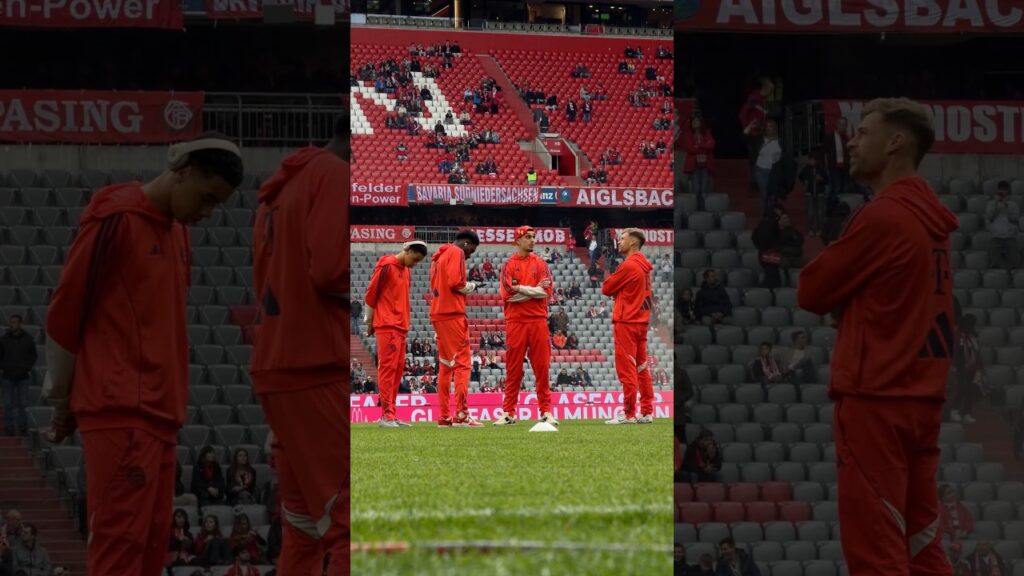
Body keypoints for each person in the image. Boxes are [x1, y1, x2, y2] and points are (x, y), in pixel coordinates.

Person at [42, 133, 243, 575]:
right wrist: (60, 402)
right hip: (120, 408)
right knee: (120, 547)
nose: (206, 213)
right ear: (181, 170)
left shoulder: (177, 234)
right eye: (206, 198)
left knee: (151, 548)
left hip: (158, 413)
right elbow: (65, 312)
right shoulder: (115, 218)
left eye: (216, 207)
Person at [796, 98, 957, 576]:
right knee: (923, 546)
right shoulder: (934, 221)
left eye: (864, 131)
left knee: (877, 552)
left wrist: (845, 306)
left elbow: (811, 290)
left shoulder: (884, 215)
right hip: (922, 400)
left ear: (895, 142)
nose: (852, 139)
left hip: (876, 400)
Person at [250, 116, 348, 575]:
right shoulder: (332, 175)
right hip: (315, 366)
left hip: (277, 365)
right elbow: (330, 270)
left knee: (303, 528)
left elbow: (260, 281)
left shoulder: (277, 191)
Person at [494, 226, 556, 427]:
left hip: (538, 321)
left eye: (533, 237)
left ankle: (546, 411)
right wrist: (533, 290)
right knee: (513, 369)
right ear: (518, 241)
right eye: (528, 237)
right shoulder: (509, 265)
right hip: (516, 322)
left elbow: (547, 292)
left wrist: (520, 288)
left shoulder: (540, 263)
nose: (532, 241)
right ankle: (508, 412)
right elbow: (507, 296)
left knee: (542, 368)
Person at [364, 241, 429, 428]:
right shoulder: (386, 265)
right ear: (408, 251)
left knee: (397, 371)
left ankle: (391, 413)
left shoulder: (406, 271)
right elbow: (371, 294)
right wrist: (370, 322)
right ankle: (386, 415)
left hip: (401, 326)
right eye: (414, 259)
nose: (414, 264)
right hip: (387, 324)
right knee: (388, 370)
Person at [429, 230, 484, 427]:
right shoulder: (456, 252)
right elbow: (455, 283)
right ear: (466, 243)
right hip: (452, 314)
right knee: (462, 363)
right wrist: (472, 286)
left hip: (438, 313)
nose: (470, 254)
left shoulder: (438, 256)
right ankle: (461, 415)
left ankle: (444, 416)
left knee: (445, 366)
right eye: (472, 249)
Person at [602, 229, 654, 424]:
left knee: (627, 369)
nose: (619, 242)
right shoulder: (643, 266)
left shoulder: (629, 265)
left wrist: (618, 291)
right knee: (642, 368)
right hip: (641, 322)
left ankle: (629, 413)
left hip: (627, 322)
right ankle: (647, 411)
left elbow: (606, 288)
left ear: (633, 242)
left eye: (622, 238)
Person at [1, 314, 36, 436]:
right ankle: (8, 427)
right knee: (8, 403)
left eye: (15, 322)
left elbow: (33, 356)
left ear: (20, 324)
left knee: (24, 403)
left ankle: (22, 427)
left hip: (23, 376)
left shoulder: (28, 339)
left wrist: (27, 367)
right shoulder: (3, 339)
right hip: (7, 376)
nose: (12, 324)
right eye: (11, 322)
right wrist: (4, 366)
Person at [951, 314, 983, 424]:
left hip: (972, 367)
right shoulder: (958, 336)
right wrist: (956, 366)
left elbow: (976, 351)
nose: (973, 327)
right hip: (961, 367)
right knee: (962, 388)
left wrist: (979, 367)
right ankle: (954, 410)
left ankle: (967, 413)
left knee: (969, 390)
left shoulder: (974, 336)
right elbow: (956, 353)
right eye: (972, 325)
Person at [682, 112, 716, 212]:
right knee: (696, 190)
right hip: (694, 166)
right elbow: (690, 148)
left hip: (705, 166)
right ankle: (694, 211)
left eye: (697, 121)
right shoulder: (688, 134)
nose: (695, 123)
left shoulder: (707, 133)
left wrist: (699, 146)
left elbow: (712, 145)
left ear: (701, 122)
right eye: (694, 121)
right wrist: (703, 147)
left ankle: (702, 212)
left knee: (703, 191)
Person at [985, 180, 1020, 269]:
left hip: (1010, 236)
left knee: (1015, 263)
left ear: (1008, 191)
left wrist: (1006, 206)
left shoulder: (1013, 204)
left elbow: (1015, 219)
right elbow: (990, 217)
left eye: (1004, 190)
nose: (1002, 192)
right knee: (994, 263)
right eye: (1001, 189)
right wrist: (996, 205)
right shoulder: (991, 204)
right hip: (995, 236)